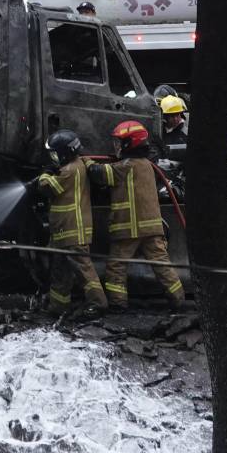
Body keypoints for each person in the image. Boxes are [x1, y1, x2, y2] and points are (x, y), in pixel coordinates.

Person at [87, 121, 185, 312]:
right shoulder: (147, 165)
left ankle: (118, 304)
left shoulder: (125, 167)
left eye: (119, 142)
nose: (116, 146)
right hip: (152, 228)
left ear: (129, 144)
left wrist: (87, 162)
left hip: (129, 228)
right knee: (162, 265)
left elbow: (99, 174)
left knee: (116, 267)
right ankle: (179, 301)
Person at [35, 130, 108, 317]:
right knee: (60, 271)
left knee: (84, 270)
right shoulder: (76, 165)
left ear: (65, 152)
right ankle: (58, 306)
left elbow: (47, 187)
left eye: (55, 154)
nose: (53, 158)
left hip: (73, 230)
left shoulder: (69, 170)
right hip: (63, 231)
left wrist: (45, 173)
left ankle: (98, 304)